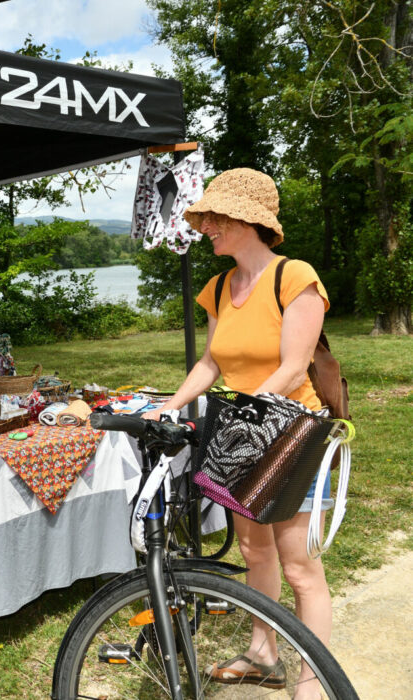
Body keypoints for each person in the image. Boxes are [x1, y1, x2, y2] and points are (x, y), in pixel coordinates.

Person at [144, 168, 331, 699]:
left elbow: (294, 369)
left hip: (290, 437)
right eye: (203, 217)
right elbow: (211, 362)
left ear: (248, 221)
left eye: (214, 217)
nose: (205, 226)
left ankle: (312, 682)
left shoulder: (296, 278)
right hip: (241, 436)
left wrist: (245, 419)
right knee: (256, 554)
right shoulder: (220, 286)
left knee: (300, 569)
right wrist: (171, 404)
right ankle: (262, 654)